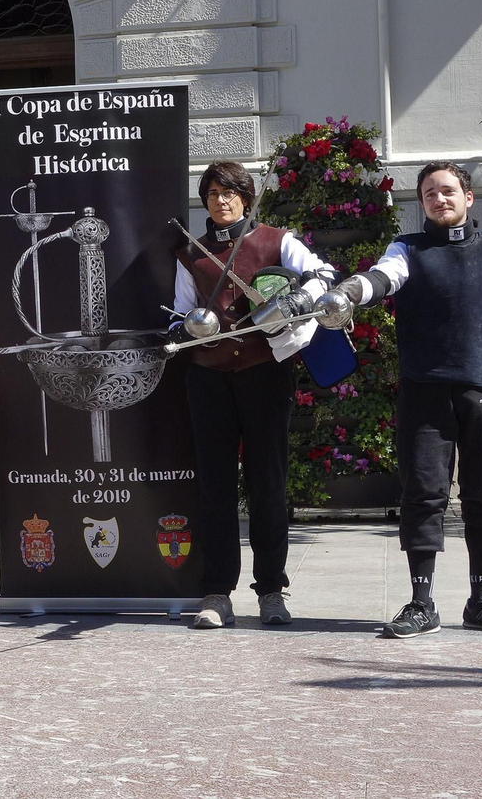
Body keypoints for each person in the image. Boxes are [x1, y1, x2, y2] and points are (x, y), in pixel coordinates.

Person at [324, 161, 482, 638]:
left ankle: (481, 601)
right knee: (423, 494)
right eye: (429, 193)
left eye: (447, 191)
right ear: (422, 202)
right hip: (424, 392)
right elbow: (380, 279)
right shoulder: (407, 249)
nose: (438, 199)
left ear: (468, 197)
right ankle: (421, 603)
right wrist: (349, 291)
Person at [169, 161, 336, 630]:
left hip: (265, 373)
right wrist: (184, 328)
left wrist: (300, 299)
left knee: (268, 483)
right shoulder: (191, 254)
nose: (221, 201)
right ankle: (217, 593)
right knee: (215, 486)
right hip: (208, 377)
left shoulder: (277, 241)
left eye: (230, 193)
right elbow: (180, 311)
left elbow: (324, 274)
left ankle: (271, 591)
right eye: (213, 193)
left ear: (245, 197)